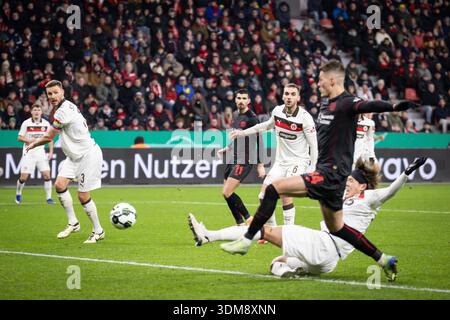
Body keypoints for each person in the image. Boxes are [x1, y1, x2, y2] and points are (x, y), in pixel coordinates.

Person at [220, 60, 418, 281]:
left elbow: (368, 105)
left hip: (329, 173)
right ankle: (383, 259)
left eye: (321, 79)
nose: (318, 83)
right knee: (338, 228)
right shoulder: (325, 105)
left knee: (274, 189)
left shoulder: (347, 103)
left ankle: (247, 240)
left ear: (332, 80)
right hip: (333, 179)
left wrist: (393, 107)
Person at [188, 157, 427, 281]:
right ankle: (289, 272)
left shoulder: (369, 197)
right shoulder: (343, 197)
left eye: (351, 181)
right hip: (327, 263)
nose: (347, 183)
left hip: (324, 244)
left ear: (362, 184)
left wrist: (406, 173)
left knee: (264, 230)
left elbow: (390, 192)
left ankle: (208, 236)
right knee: (276, 262)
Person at [26, 80, 105, 244]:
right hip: (74, 157)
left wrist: (33, 144)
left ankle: (98, 231)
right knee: (60, 185)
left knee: (83, 195)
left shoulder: (64, 111)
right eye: (49, 94)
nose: (53, 96)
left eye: (55, 92)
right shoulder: (60, 109)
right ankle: (73, 223)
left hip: (87, 155)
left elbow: (49, 136)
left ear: (62, 92)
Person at [229, 84, 318, 227]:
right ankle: (272, 229)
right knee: (262, 196)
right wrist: (242, 132)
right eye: (287, 94)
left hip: (298, 162)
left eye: (292, 94)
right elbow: (264, 126)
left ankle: (289, 231)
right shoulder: (277, 111)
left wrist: (313, 168)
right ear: (282, 96)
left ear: (298, 97)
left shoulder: (305, 118)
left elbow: (314, 145)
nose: (289, 97)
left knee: (285, 194)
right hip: (280, 162)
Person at [216, 89, 265, 226]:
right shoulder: (236, 116)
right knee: (225, 193)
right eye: (239, 98)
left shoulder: (252, 118)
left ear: (249, 101)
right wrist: (228, 148)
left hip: (245, 160)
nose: (241, 101)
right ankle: (239, 223)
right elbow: (238, 137)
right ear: (235, 100)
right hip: (234, 158)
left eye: (244, 98)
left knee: (227, 191)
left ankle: (249, 219)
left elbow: (259, 141)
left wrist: (260, 165)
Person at [15, 104, 55, 204]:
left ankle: (49, 198)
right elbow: (19, 137)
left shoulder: (46, 124)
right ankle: (18, 193)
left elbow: (50, 139)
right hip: (28, 152)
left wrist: (50, 152)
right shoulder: (26, 123)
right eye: (35, 110)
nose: (37, 112)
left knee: (47, 175)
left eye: (38, 110)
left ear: (41, 112)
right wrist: (29, 140)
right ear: (31, 112)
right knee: (23, 178)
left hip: (41, 152)